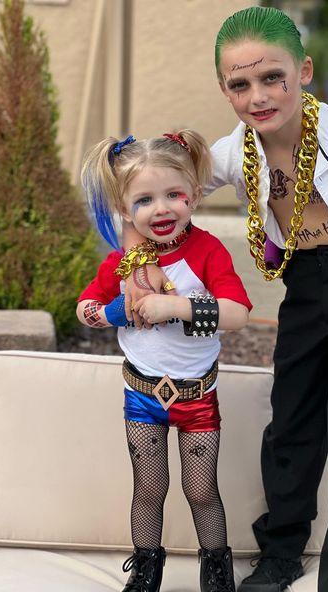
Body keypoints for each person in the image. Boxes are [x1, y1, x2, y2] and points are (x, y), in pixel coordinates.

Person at [121, 7, 328, 592]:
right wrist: (135, 263)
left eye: (273, 78)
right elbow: (155, 189)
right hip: (304, 287)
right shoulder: (232, 151)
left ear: (304, 72)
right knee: (289, 423)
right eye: (239, 84)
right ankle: (282, 553)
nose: (258, 95)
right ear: (224, 88)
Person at [77, 129, 252, 592]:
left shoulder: (208, 251)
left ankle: (216, 573)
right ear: (124, 209)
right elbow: (85, 309)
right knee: (149, 491)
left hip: (197, 398)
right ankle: (146, 573)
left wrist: (175, 306)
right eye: (145, 200)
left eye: (174, 194)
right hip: (143, 397)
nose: (162, 209)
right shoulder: (121, 262)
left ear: (195, 196)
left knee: (202, 491)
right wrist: (117, 310)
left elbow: (237, 313)